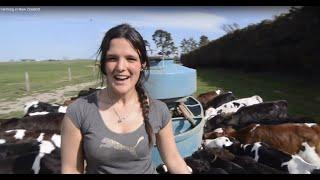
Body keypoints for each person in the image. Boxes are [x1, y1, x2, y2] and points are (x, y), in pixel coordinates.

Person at [61, 23, 192, 174]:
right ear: (103, 64)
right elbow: (71, 169)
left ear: (142, 64)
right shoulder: (79, 111)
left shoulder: (159, 111)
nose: (121, 67)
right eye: (112, 58)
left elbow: (174, 159)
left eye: (130, 58)